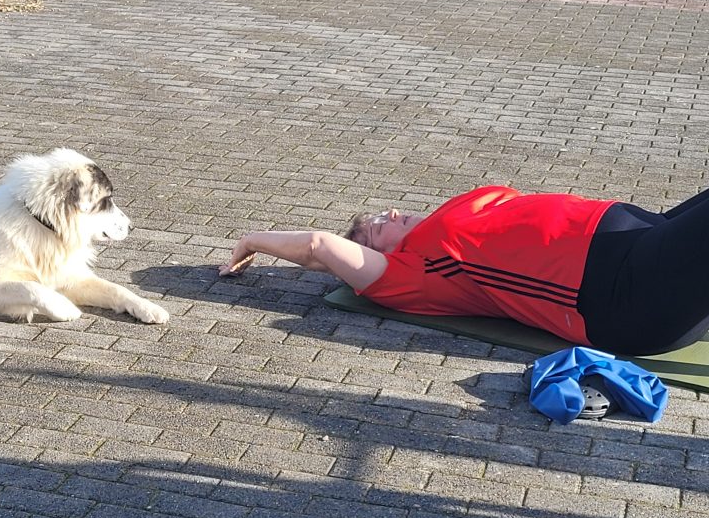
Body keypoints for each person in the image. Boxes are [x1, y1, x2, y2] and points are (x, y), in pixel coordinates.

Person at [220, 185, 709, 356]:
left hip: (645, 237)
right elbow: (318, 246)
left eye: (381, 214)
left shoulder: (446, 223)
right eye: (375, 228)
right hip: (626, 292)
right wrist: (251, 240)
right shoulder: (410, 273)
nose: (390, 214)